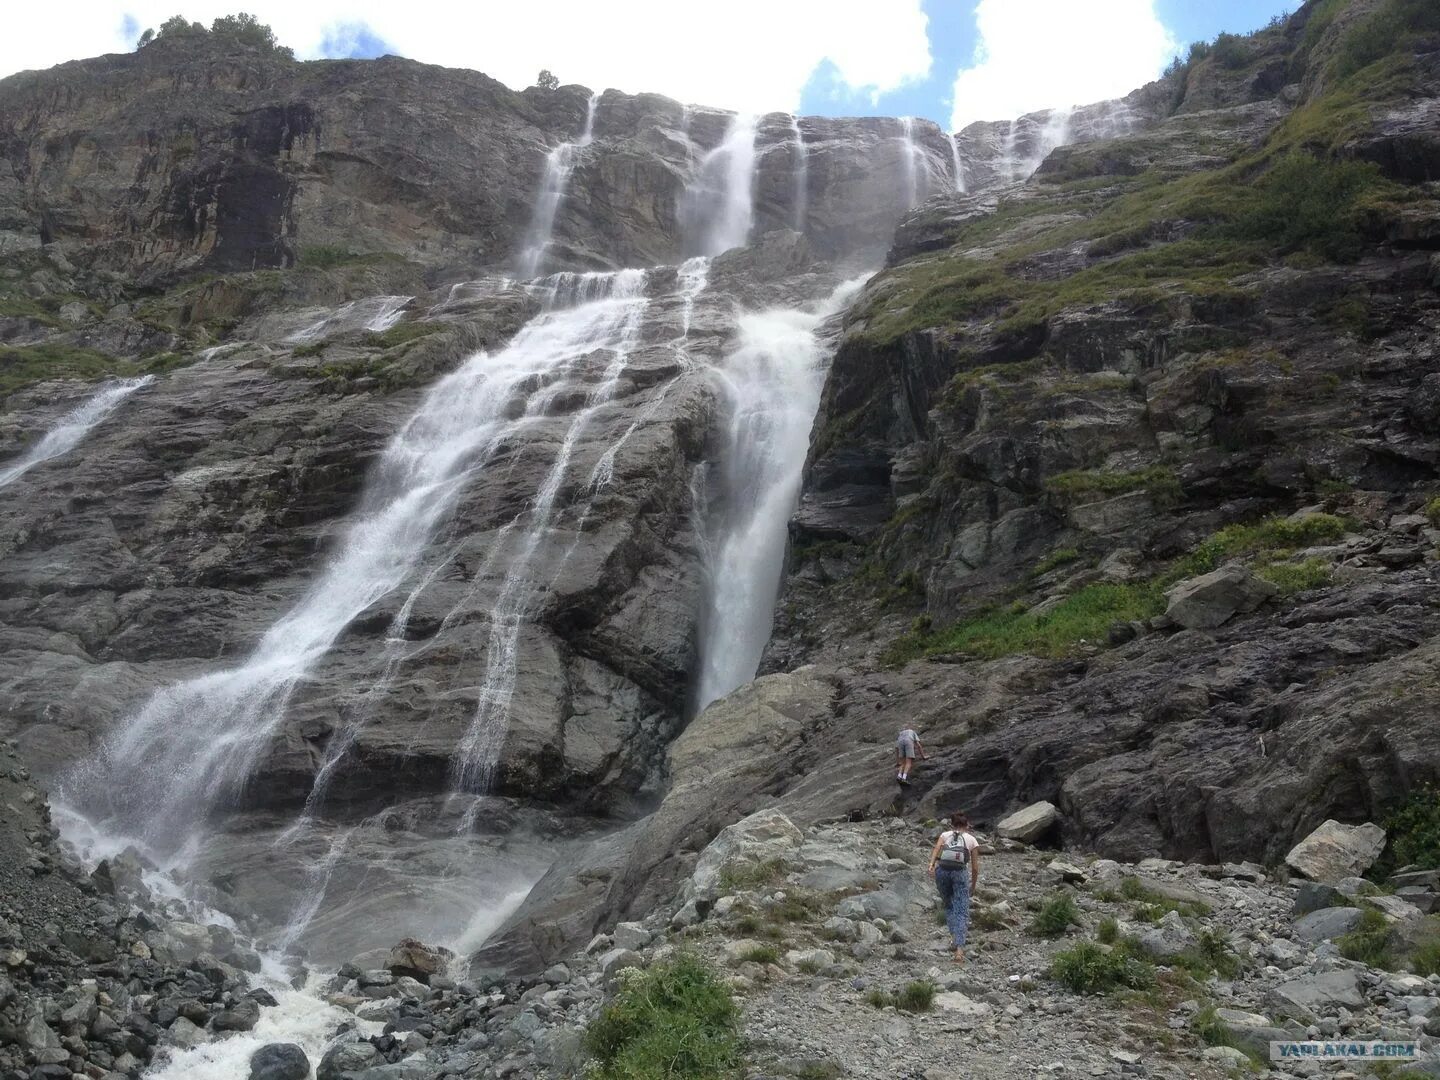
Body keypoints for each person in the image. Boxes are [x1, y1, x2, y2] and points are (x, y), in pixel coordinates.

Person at [927, 811, 980, 963]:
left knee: (949, 905)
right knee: (962, 910)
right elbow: (975, 868)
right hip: (959, 873)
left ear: (952, 824)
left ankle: (954, 936)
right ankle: (959, 950)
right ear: (967, 824)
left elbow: (936, 850)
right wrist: (973, 885)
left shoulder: (945, 835)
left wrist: (931, 865)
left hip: (942, 872)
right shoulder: (972, 839)